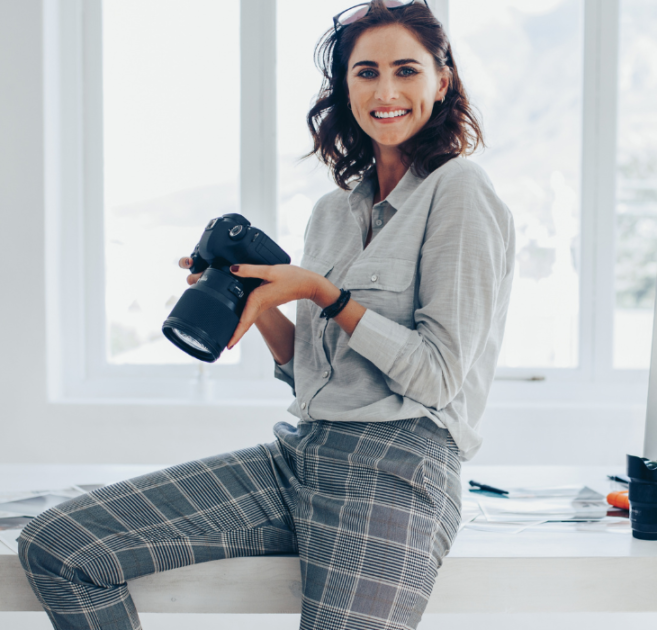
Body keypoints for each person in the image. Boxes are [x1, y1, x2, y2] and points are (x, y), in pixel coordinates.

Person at [17, 1, 515, 628]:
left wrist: (321, 294)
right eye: (365, 73)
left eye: (406, 70)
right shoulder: (333, 214)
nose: (386, 91)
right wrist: (255, 302)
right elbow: (311, 374)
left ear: (441, 82)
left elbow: (438, 377)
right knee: (60, 546)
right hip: (303, 452)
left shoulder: (460, 189)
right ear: (345, 88)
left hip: (400, 467)